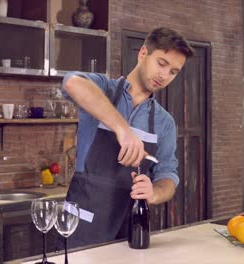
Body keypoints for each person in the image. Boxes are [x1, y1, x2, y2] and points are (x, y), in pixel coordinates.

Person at [61, 27, 195, 248]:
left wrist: (155, 192)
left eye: (173, 72)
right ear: (143, 53)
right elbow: (72, 82)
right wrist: (123, 131)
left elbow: (168, 175)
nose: (164, 75)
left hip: (130, 228)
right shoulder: (103, 89)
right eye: (161, 64)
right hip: (80, 225)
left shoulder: (165, 123)